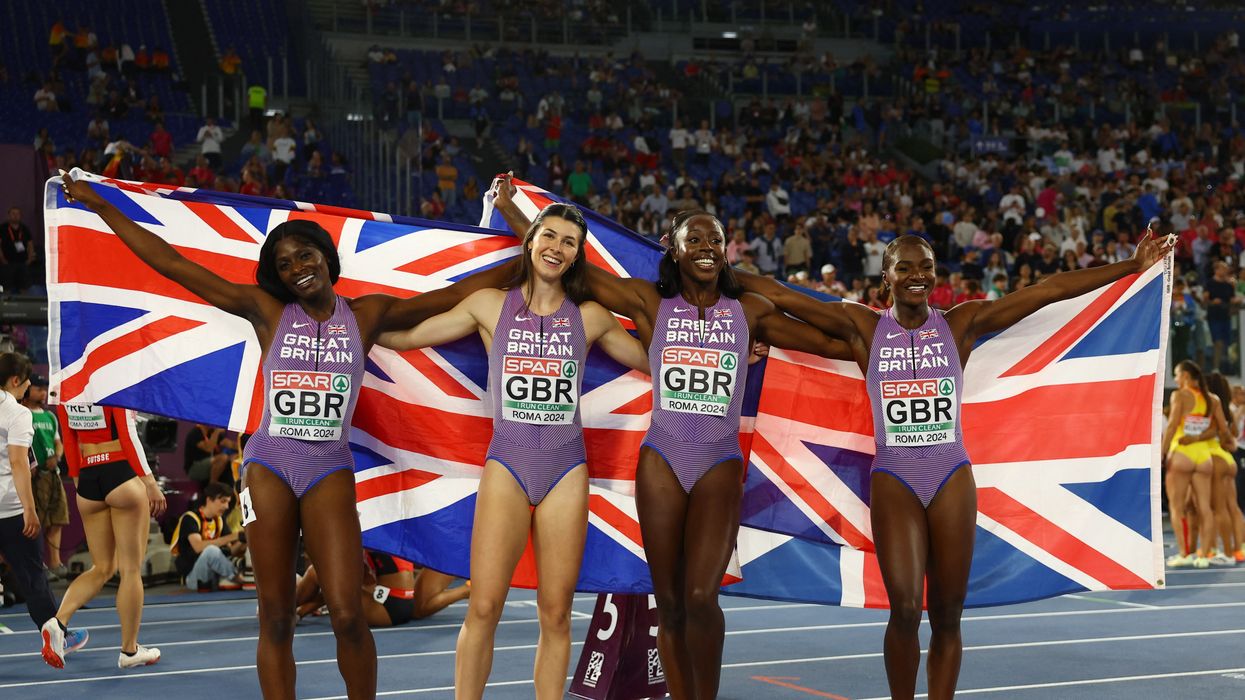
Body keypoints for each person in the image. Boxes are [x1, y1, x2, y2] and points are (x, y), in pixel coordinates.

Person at [61, 169, 513, 698]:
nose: (298, 268)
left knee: (348, 614)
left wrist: (533, 257)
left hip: (329, 468)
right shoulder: (267, 309)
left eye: (305, 255)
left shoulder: (366, 314)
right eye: (284, 263)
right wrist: (101, 205)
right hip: (269, 464)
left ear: (326, 257)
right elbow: (173, 264)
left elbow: (455, 291)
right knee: (275, 617)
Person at [737, 231, 1171, 699]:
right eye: (904, 267)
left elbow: (1047, 291)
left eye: (925, 266)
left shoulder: (960, 324)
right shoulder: (863, 327)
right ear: (886, 277)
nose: (917, 275)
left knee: (947, 613)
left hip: (950, 477)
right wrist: (698, 268)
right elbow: (780, 295)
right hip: (895, 479)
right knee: (904, 609)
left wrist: (1130, 265)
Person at [489, 175, 849, 700]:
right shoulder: (649, 304)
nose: (707, 248)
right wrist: (513, 210)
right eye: (696, 240)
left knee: (702, 596)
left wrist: (891, 338)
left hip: (719, 461)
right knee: (671, 600)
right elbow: (574, 270)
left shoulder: (748, 313)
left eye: (716, 241)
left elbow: (829, 340)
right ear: (672, 249)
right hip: (661, 460)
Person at [378, 202, 650, 699]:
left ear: (576, 255)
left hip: (566, 470)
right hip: (507, 463)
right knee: (484, 606)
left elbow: (659, 363)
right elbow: (411, 337)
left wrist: (734, 353)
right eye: (549, 236)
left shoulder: (590, 317)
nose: (557, 248)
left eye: (569, 242)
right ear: (530, 241)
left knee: (557, 612)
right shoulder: (489, 305)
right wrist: (350, 331)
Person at [51, 399, 166, 669]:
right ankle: (129, 651)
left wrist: (81, 484)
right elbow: (127, 433)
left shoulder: (68, 387)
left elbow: (69, 439)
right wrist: (149, 481)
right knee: (130, 570)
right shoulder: (112, 377)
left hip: (88, 476)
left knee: (101, 567)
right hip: (120, 471)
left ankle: (57, 623)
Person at [0, 353, 88, 668]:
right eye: (26, 383)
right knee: (32, 575)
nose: (27, 389)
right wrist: (29, 509)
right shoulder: (17, 413)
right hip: (9, 509)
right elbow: (18, 462)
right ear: (15, 382)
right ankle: (56, 634)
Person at [296, 549, 469, 626]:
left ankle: (285, 607)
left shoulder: (367, 537)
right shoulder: (382, 535)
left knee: (317, 572)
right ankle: (295, 612)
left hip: (388, 607)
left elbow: (348, 582)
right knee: (332, 581)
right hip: (397, 602)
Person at [1163, 360, 1219, 569]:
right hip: (1204, 457)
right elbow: (1217, 430)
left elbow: (1170, 427)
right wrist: (1197, 440)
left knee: (1176, 508)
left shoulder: (1179, 395)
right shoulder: (1212, 399)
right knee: (1205, 508)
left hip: (1182, 455)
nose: (1176, 379)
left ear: (1185, 376)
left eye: (1177, 375)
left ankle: (1185, 554)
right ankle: (1204, 555)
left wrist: (1161, 452)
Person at [19, 374, 69, 578]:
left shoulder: (50, 416)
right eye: (38, 388)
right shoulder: (21, 414)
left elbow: (58, 442)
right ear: (28, 390)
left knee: (58, 518)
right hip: (33, 476)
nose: (43, 392)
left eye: (45, 388)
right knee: (35, 521)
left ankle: (55, 563)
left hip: (53, 474)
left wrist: (57, 457)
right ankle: (38, 564)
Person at [170, 482, 246, 590]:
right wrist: (234, 536)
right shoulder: (190, 518)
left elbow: (231, 551)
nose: (226, 506)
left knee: (220, 552)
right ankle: (241, 579)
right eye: (223, 501)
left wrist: (244, 539)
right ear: (209, 500)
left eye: (228, 502)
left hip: (215, 575)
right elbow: (198, 547)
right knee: (211, 551)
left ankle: (240, 576)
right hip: (194, 577)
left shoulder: (219, 520)